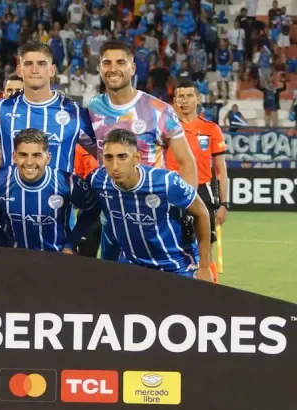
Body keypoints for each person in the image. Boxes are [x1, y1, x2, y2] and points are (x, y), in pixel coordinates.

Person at [88, 39, 198, 262]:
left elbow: (186, 162)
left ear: (132, 68)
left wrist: (185, 212)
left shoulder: (158, 110)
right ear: (99, 68)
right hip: (114, 220)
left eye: (120, 62)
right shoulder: (93, 108)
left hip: (154, 219)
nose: (113, 68)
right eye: (106, 63)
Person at [0, 42, 97, 174]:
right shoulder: (3, 109)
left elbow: (102, 153)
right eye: (28, 64)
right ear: (20, 70)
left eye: (41, 63)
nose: (34, 69)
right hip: (11, 200)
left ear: (52, 70)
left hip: (59, 201)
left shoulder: (74, 113)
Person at [88, 129, 213, 282]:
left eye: (122, 157)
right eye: (108, 157)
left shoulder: (167, 182)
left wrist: (205, 267)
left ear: (137, 158)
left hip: (176, 266)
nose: (115, 166)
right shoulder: (98, 181)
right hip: (132, 264)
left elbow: (202, 213)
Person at [0, 129, 100, 252]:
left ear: (47, 158)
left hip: (56, 257)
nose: (29, 162)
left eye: (36, 155)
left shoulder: (68, 183)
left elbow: (92, 209)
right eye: (23, 155)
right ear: (14, 157)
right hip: (14, 256)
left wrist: (70, 244)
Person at [167, 81, 229, 282]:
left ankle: (210, 291)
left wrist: (223, 204)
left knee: (205, 245)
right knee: (172, 243)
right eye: (180, 96)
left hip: (202, 191)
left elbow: (221, 169)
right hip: (171, 190)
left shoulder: (211, 129)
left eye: (189, 95)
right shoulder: (166, 128)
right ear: (174, 101)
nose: (184, 100)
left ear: (198, 99)